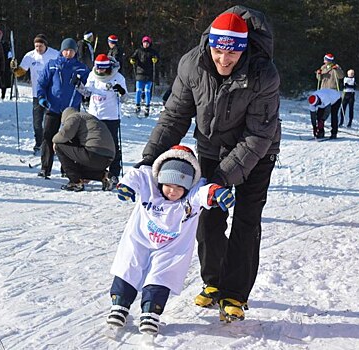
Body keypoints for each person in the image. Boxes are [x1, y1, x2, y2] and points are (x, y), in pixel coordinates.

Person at [134, 6, 280, 322]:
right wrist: (149, 160)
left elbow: (258, 134)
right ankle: (213, 282)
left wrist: (223, 179)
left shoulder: (263, 75)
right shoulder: (192, 65)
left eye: (232, 53)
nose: (224, 60)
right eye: (218, 50)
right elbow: (174, 116)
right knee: (207, 216)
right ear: (209, 44)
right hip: (212, 148)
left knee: (246, 218)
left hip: (259, 151)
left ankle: (235, 293)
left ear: (244, 49)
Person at [107, 145, 235, 334]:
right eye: (168, 185)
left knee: (162, 275)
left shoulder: (191, 195)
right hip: (140, 239)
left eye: (179, 187)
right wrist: (126, 186)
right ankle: (119, 305)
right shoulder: (150, 183)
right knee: (129, 264)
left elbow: (203, 192)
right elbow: (137, 175)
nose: (172, 192)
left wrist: (216, 192)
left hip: (170, 247)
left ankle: (151, 311)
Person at [36, 38, 90, 178]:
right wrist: (42, 97)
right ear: (61, 50)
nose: (68, 53)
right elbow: (41, 83)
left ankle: (67, 169)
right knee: (48, 137)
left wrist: (79, 84)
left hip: (71, 110)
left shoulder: (82, 68)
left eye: (71, 51)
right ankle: (45, 168)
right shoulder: (52, 65)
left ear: (75, 52)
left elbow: (88, 91)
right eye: (66, 50)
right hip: (53, 107)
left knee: (69, 139)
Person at [84, 53, 128, 188]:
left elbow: (124, 99)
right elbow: (86, 93)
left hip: (111, 117)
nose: (100, 71)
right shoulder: (92, 75)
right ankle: (91, 172)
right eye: (98, 68)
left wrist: (121, 92)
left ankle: (114, 173)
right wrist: (78, 85)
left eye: (103, 68)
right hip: (94, 115)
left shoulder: (118, 77)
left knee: (112, 145)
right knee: (92, 145)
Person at [11, 34, 60, 154]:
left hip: (52, 94)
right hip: (37, 94)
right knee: (37, 122)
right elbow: (20, 72)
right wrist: (14, 68)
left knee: (51, 122)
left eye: (41, 46)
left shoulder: (54, 54)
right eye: (36, 46)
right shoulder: (30, 56)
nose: (38, 48)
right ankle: (39, 143)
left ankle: (51, 144)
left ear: (45, 45)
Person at [52, 107, 115, 191]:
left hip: (93, 152)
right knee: (76, 170)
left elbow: (64, 135)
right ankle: (105, 176)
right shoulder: (89, 118)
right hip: (108, 157)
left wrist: (54, 142)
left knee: (59, 146)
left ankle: (75, 182)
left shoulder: (74, 117)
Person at [129, 36, 159, 117]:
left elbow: (157, 58)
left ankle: (147, 106)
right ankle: (137, 105)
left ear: (149, 44)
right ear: (142, 43)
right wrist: (132, 60)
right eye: (144, 43)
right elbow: (133, 57)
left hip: (149, 75)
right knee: (138, 90)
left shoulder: (152, 52)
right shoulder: (138, 51)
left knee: (147, 91)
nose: (146, 44)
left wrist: (155, 59)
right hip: (140, 74)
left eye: (147, 43)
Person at [0, 29, 12, 100]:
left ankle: (3, 96)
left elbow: (9, 54)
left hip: (4, 64)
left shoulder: (5, 44)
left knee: (4, 80)